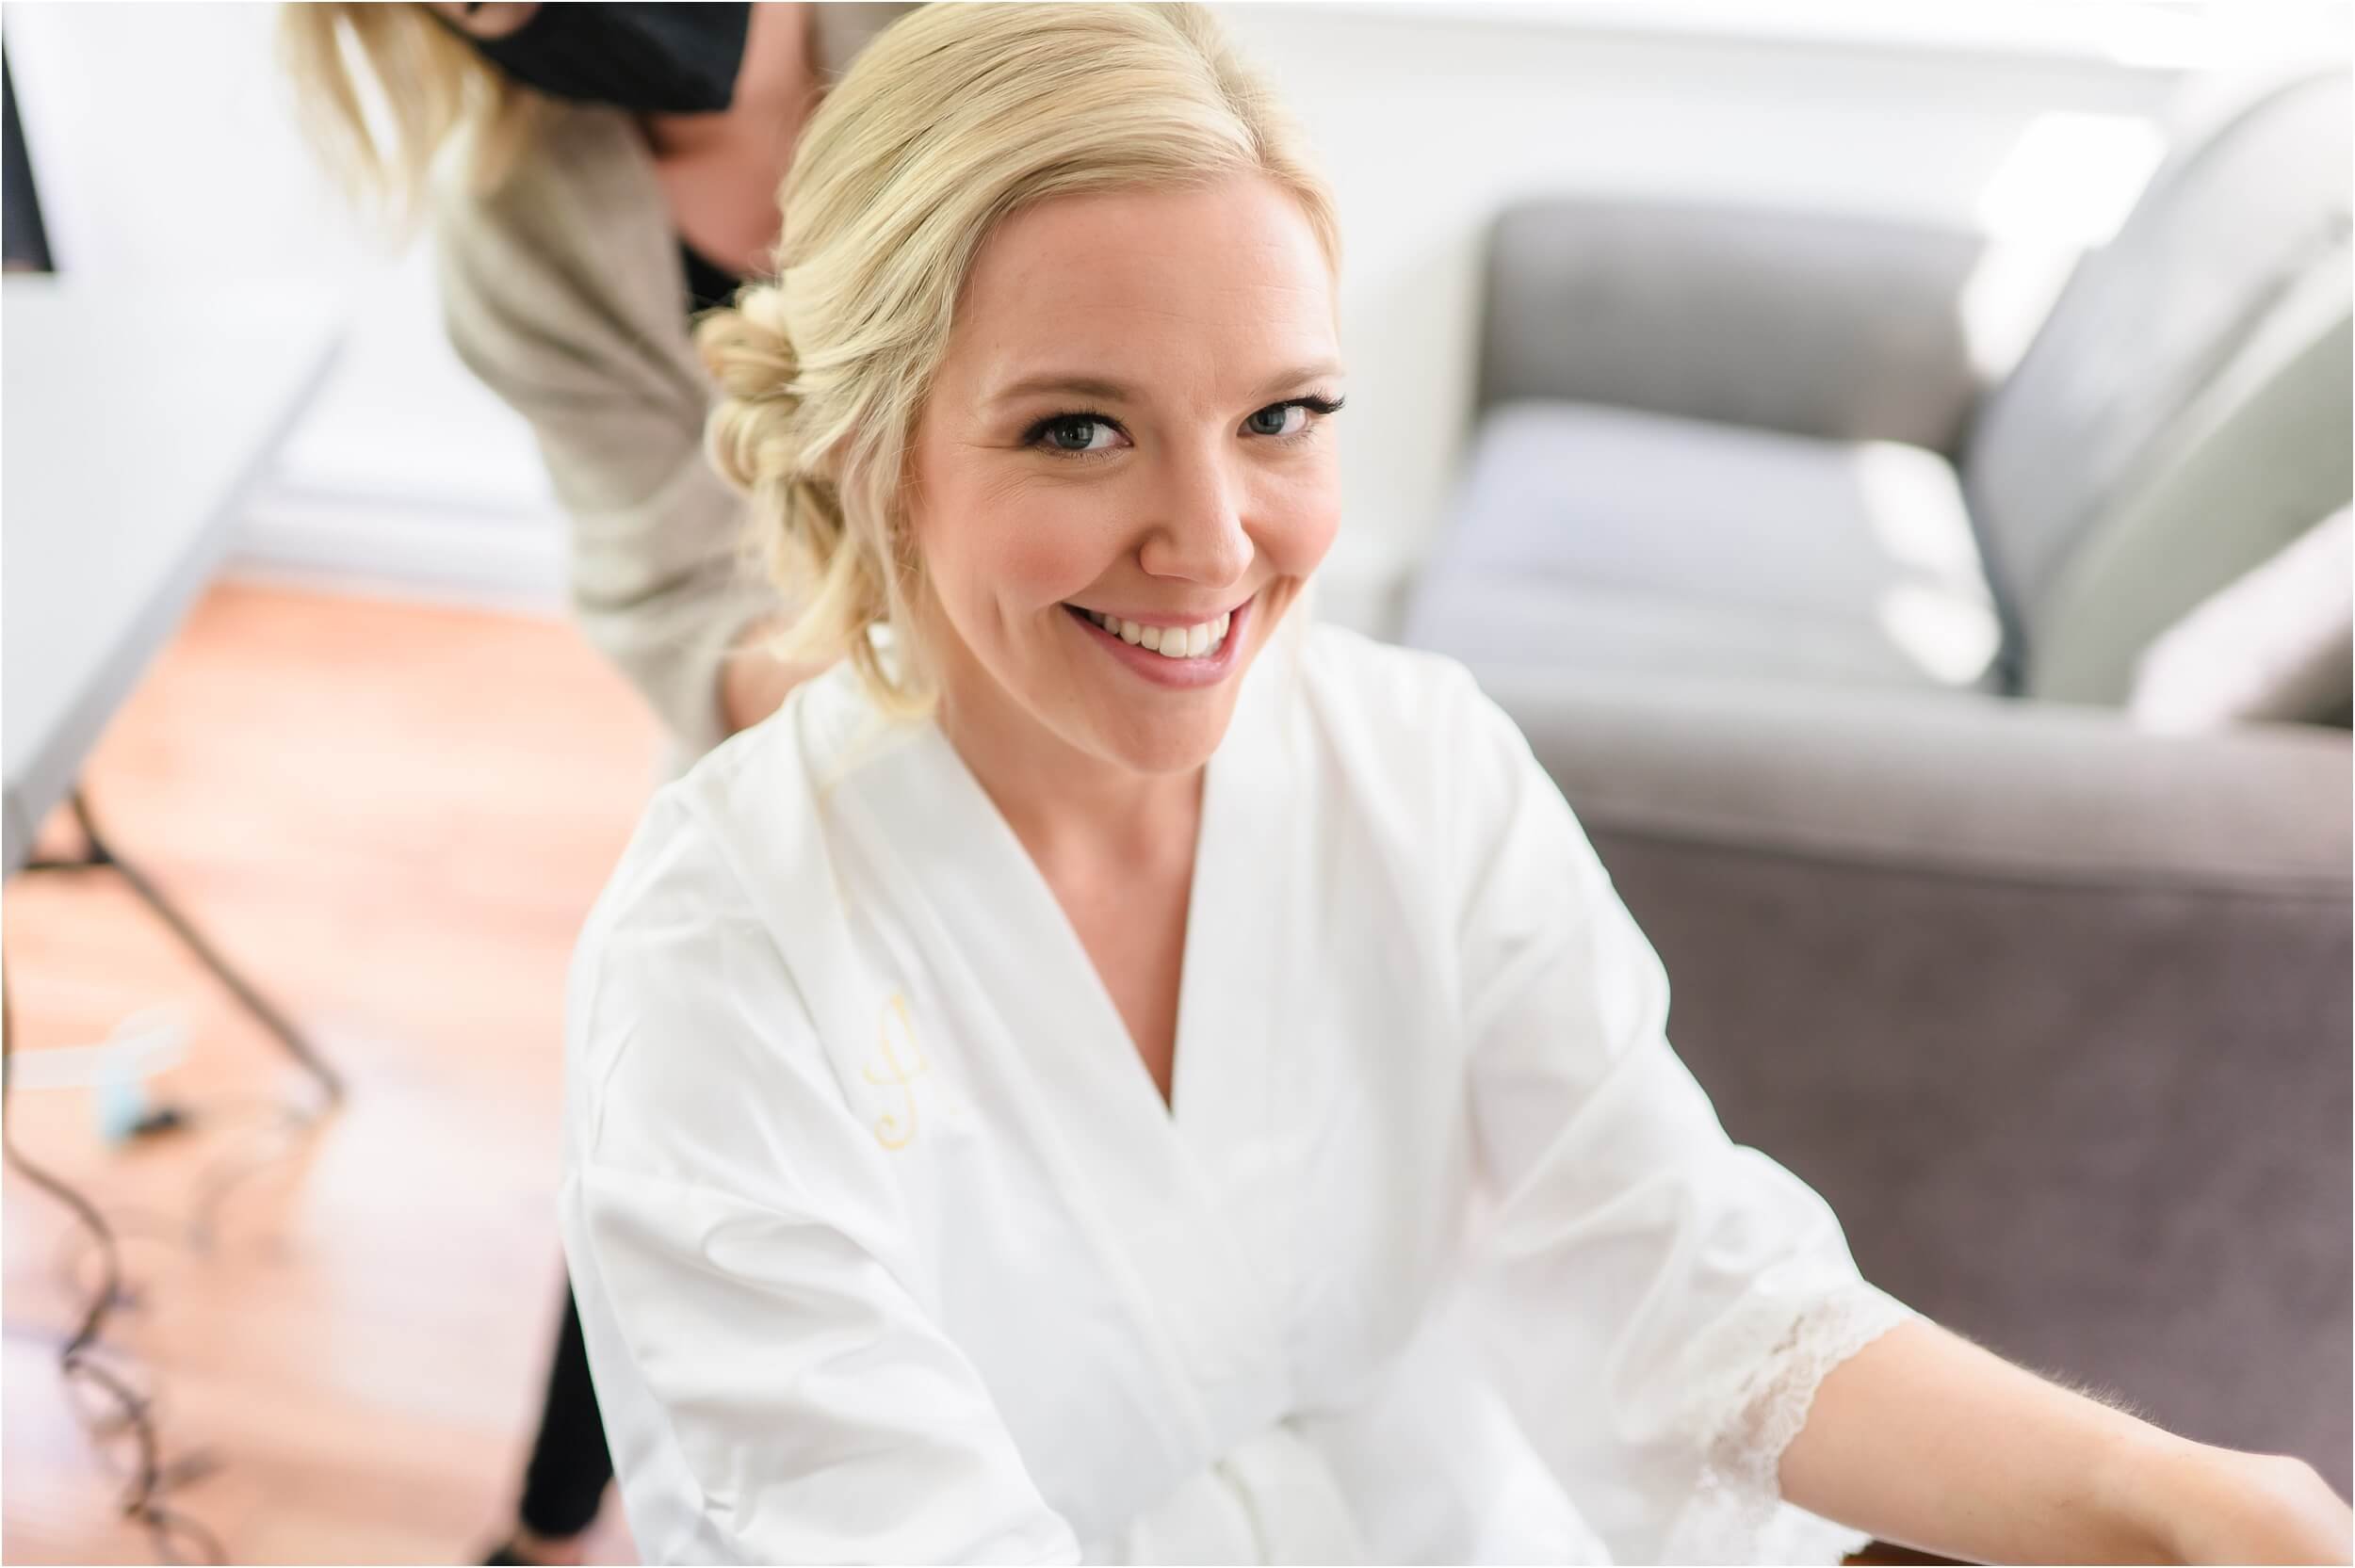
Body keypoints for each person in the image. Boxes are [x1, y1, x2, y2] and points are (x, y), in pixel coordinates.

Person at [556, 4, 2354, 1562]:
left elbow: (1693, 1286)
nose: (1211, 540)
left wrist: (2193, 1503)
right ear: (877, 454)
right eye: (1078, 428)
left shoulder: (1416, 766)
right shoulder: (720, 971)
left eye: (1282, 417)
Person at [277, 6, 907, 1561]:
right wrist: (915, 736)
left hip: (1112, 672)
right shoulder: (521, 238)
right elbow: (688, 605)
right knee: (664, 1100)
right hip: (803, 732)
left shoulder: (990, 37)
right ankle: (560, 1510)